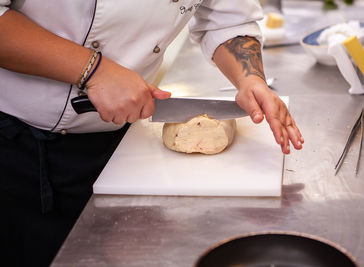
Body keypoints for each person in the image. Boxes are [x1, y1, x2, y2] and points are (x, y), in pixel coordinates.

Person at [0, 0, 304, 266]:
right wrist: (94, 70)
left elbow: (228, 18)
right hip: (17, 147)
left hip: (119, 142)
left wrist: (251, 80)